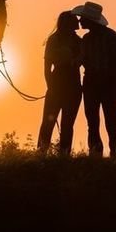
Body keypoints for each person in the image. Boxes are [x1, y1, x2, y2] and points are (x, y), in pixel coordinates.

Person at [71, 2, 116, 159]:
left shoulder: (100, 38)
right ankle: (112, 156)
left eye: (82, 18)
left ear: (89, 20)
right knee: (99, 123)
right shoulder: (102, 37)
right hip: (95, 85)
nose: (80, 21)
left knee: (103, 123)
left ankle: (102, 155)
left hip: (101, 85)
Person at [36, 11, 83, 156]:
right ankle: (48, 153)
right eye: (74, 20)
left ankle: (53, 154)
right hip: (68, 84)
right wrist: (51, 87)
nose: (78, 22)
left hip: (65, 84)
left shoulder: (70, 41)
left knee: (60, 123)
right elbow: (46, 67)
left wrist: (51, 86)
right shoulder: (75, 41)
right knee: (56, 123)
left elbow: (47, 68)